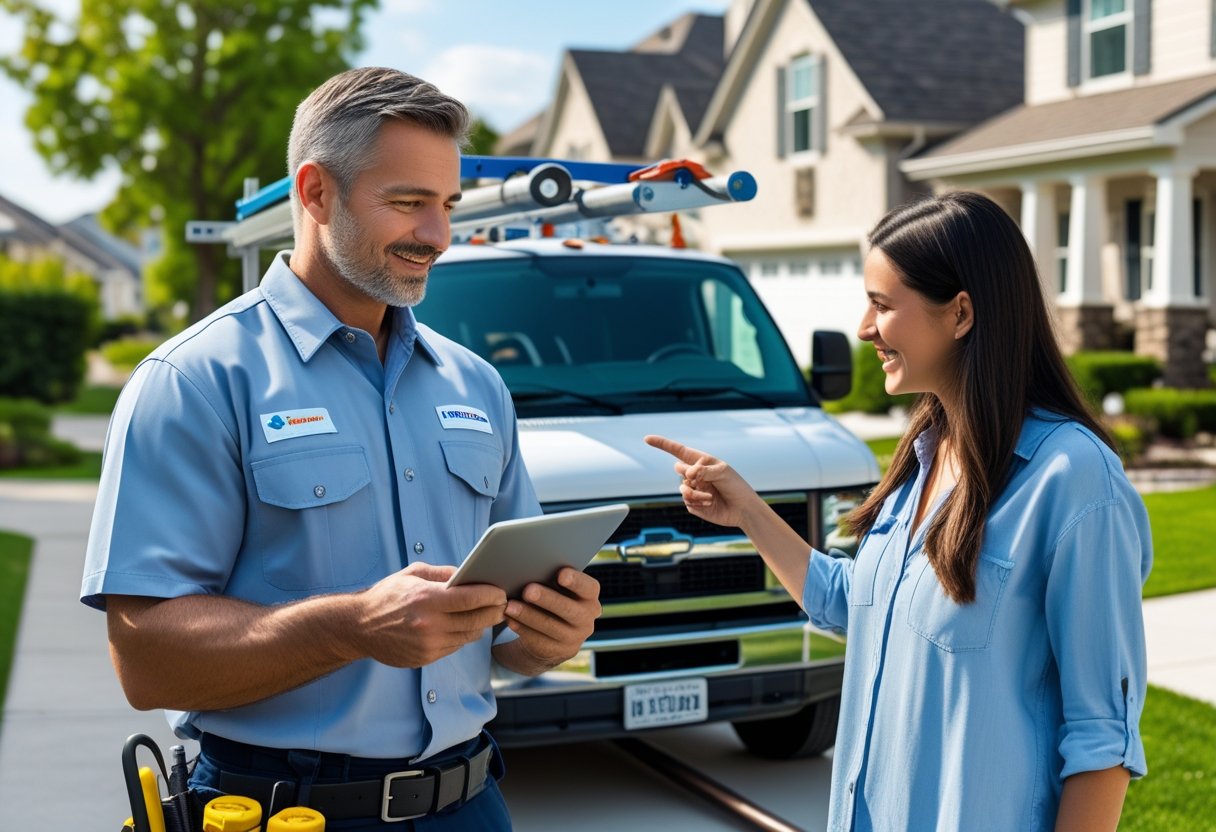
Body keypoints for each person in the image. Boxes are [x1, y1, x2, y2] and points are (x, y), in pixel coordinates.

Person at [80, 66, 601, 830]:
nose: (438, 236)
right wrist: (348, 625)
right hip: (279, 810)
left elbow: (503, 637)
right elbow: (146, 660)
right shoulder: (195, 380)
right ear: (316, 192)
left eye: (447, 206)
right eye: (407, 203)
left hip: (473, 803)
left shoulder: (477, 384)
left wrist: (545, 636)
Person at [646, 191, 1151, 832]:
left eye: (882, 305)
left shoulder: (1074, 481)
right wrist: (747, 509)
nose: (863, 328)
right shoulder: (923, 457)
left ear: (961, 312)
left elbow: (1102, 739)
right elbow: (850, 602)